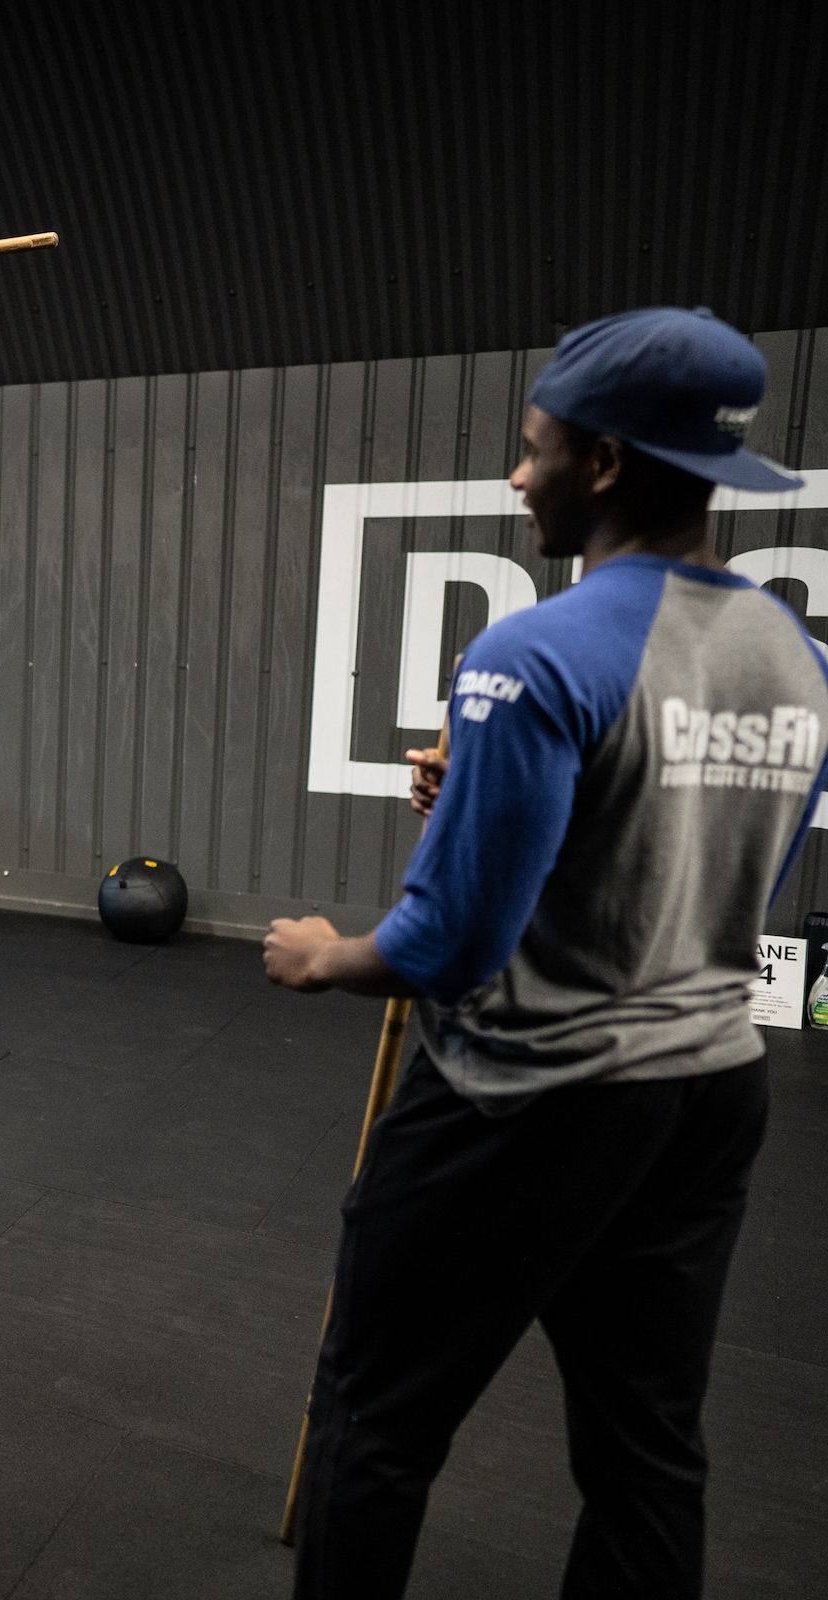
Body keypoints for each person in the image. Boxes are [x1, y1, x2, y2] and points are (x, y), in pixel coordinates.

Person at [261, 307, 824, 1597]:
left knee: (376, 1422)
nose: (521, 476)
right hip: (708, 1093)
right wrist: (488, 795)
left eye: (534, 447)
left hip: (528, 1098)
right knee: (647, 1456)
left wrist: (326, 953)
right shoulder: (800, 656)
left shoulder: (534, 648)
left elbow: (450, 944)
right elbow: (684, 862)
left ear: (607, 461)